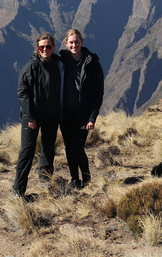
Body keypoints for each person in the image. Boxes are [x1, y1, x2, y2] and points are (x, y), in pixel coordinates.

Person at [13, 33, 64, 196]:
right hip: (32, 117)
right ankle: (18, 190)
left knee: (48, 149)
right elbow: (22, 92)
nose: (45, 49)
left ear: (53, 47)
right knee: (27, 151)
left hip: (52, 115)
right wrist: (30, 116)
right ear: (37, 48)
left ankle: (46, 181)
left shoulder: (57, 64)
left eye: (48, 46)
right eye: (41, 47)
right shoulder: (31, 67)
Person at [60, 29, 104, 189]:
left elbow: (97, 94)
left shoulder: (92, 63)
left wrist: (92, 118)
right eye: (71, 42)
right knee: (68, 148)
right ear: (66, 44)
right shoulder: (62, 60)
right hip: (65, 114)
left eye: (76, 42)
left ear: (82, 42)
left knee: (76, 147)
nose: (74, 45)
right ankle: (74, 180)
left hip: (82, 115)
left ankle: (86, 178)